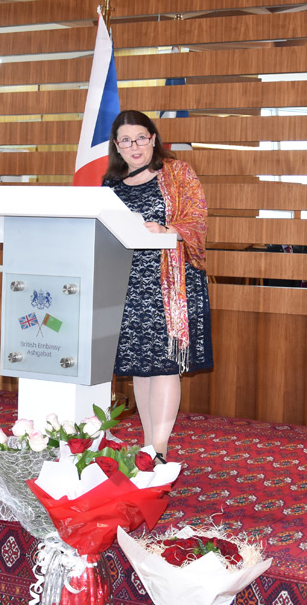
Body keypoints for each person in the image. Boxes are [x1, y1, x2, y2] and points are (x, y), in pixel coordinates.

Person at [102, 110, 213, 463]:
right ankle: (148, 447)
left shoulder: (178, 173)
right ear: (117, 146)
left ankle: (160, 448)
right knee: (140, 365)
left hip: (170, 284)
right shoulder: (110, 186)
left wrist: (168, 230)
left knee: (165, 364)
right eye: (125, 140)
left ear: (153, 138)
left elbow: (197, 219)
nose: (134, 146)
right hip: (127, 285)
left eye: (140, 138)